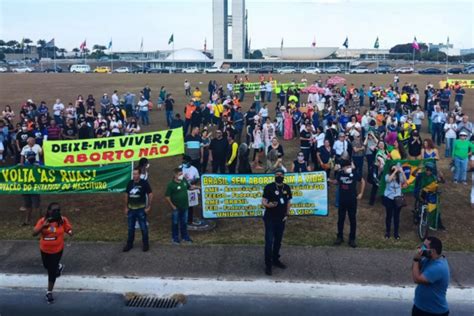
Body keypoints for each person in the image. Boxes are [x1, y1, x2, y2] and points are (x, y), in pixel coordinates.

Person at [33, 202, 73, 304]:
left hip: (57, 250)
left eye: (58, 210)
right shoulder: (42, 221)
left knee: (51, 272)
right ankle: (58, 267)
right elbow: (34, 233)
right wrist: (43, 226)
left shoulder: (63, 220)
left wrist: (70, 232)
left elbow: (68, 228)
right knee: (47, 266)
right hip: (44, 250)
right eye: (54, 210)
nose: (56, 212)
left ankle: (49, 292)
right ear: (49, 211)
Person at [261, 169, 292, 276]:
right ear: (274, 176)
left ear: (284, 176)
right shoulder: (269, 187)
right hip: (270, 219)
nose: (279, 176)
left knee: (278, 241)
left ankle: (275, 260)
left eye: (281, 175)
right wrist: (268, 205)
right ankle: (268, 265)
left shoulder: (287, 187)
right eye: (277, 175)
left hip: (281, 219)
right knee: (269, 242)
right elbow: (263, 200)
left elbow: (288, 202)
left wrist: (287, 214)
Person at [331, 157, 366, 248]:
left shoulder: (354, 173)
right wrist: (328, 180)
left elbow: (362, 181)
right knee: (340, 220)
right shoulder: (340, 173)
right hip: (342, 200)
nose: (348, 168)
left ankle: (352, 239)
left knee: (352, 220)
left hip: (352, 200)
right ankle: (339, 237)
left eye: (349, 166)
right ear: (342, 168)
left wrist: (361, 193)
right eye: (346, 166)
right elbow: (336, 182)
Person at [412, 237, 450, 316]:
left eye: (425, 247)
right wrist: (419, 258)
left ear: (433, 251)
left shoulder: (439, 267)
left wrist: (416, 260)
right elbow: (414, 270)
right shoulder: (428, 259)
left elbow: (417, 279)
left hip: (433, 312)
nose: (421, 248)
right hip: (420, 308)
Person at [123, 168, 153, 252]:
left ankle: (145, 244)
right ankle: (129, 244)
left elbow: (150, 194)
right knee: (130, 228)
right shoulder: (130, 183)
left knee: (143, 228)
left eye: (136, 174)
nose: (134, 176)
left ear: (139, 174)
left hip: (141, 209)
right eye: (133, 174)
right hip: (131, 210)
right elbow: (126, 194)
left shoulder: (144, 183)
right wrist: (126, 207)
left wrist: (149, 206)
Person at [165, 168, 195, 244]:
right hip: (176, 208)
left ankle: (185, 237)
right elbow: (167, 196)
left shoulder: (184, 181)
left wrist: (199, 187)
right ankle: (175, 238)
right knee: (175, 223)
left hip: (185, 206)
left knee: (184, 222)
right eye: (179, 174)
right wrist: (172, 206)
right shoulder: (171, 185)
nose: (181, 175)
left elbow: (190, 187)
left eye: (182, 174)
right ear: (175, 175)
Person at [383, 164, 407, 240]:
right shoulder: (387, 175)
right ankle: (387, 232)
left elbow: (406, 181)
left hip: (397, 199)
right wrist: (395, 171)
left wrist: (402, 171)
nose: (395, 168)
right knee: (389, 216)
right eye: (394, 167)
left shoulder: (399, 176)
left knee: (396, 216)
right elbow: (388, 180)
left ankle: (396, 233)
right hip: (389, 198)